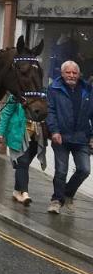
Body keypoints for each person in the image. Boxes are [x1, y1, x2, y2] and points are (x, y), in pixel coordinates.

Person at [46, 60, 92, 214]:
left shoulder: (87, 89)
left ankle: (67, 194)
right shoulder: (53, 89)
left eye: (74, 73)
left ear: (79, 75)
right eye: (68, 72)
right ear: (62, 73)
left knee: (84, 169)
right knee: (61, 171)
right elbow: (50, 111)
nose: (71, 75)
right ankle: (56, 201)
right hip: (61, 137)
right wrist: (54, 131)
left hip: (81, 138)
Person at [0, 94, 46, 206]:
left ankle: (16, 191)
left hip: (35, 136)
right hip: (18, 134)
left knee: (24, 164)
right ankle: (24, 193)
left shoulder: (41, 95)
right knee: (22, 162)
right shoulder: (16, 96)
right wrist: (0, 133)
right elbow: (7, 113)